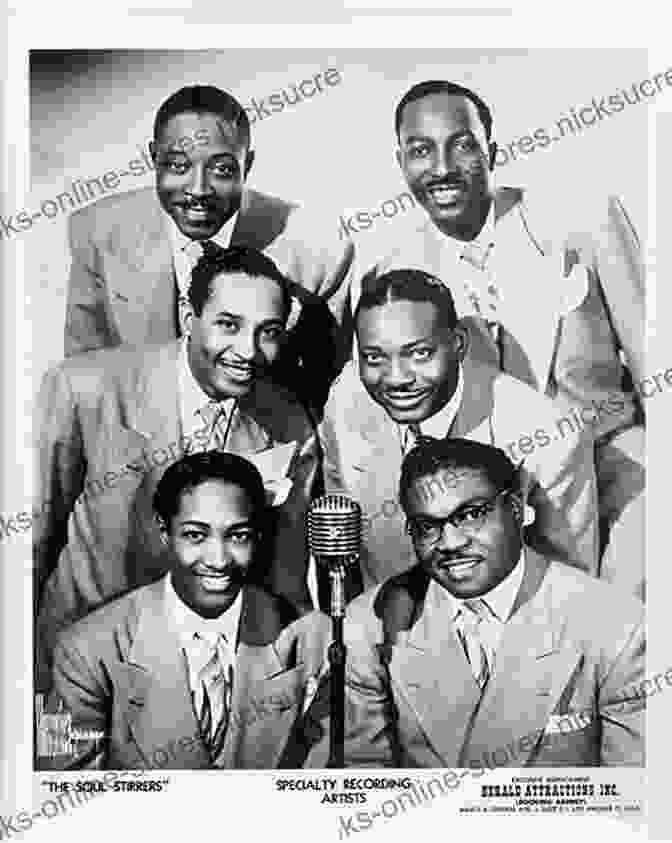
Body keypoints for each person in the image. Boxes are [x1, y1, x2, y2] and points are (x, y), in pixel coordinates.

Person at [361, 80, 644, 597]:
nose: (442, 168)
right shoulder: (395, 269)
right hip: (484, 498)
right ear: (400, 161)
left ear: (491, 152)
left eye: (462, 144)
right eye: (421, 151)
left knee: (625, 615)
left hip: (613, 468)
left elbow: (655, 361)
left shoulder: (584, 219)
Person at [36, 246, 320, 688]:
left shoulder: (289, 425)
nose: (248, 351)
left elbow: (285, 581)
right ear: (190, 317)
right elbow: (25, 550)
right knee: (60, 755)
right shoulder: (82, 390)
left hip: (204, 675)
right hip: (73, 664)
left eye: (268, 332)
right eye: (229, 325)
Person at [343, 438, 645, 768]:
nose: (450, 543)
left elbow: (632, 797)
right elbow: (363, 783)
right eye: (428, 526)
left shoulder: (619, 626)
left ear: (516, 510)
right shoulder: (369, 626)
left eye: (471, 515)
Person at [64, 84, 355, 413]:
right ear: (153, 157)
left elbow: (328, 393)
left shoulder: (318, 250)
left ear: (249, 165)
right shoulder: (99, 231)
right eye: (177, 166)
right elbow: (84, 380)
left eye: (223, 170)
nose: (199, 190)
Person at [40, 452, 331, 770]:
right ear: (164, 532)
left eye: (238, 536)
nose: (219, 560)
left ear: (258, 535)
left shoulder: (314, 640)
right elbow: (61, 793)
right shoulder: (83, 649)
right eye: (195, 535)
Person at [319, 268, 597, 594]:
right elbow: (341, 548)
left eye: (419, 353)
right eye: (374, 357)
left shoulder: (546, 436)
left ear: (458, 344)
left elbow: (566, 593)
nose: (396, 378)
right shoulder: (345, 403)